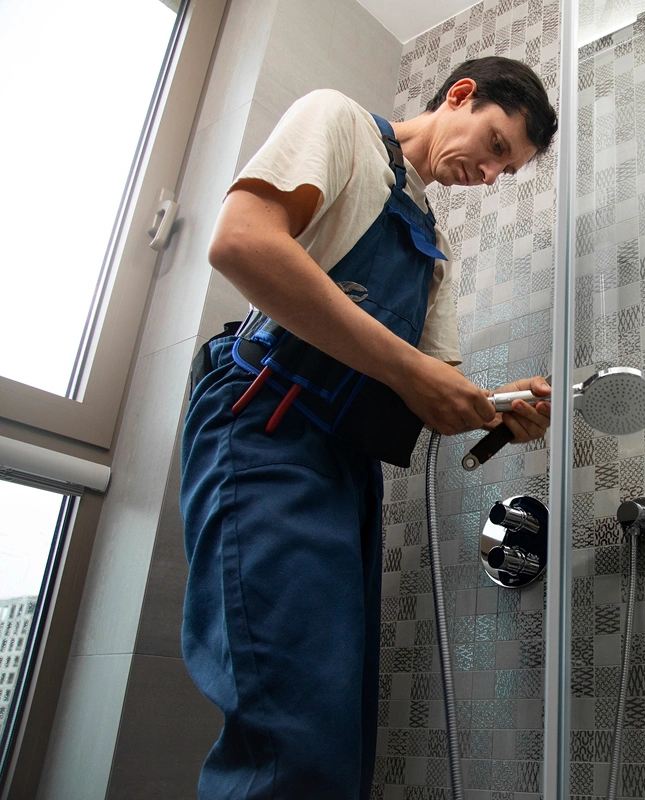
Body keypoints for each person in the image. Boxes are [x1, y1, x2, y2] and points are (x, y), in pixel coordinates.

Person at [179, 57, 558, 800]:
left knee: (336, 721)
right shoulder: (341, 123)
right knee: (292, 729)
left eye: (504, 171)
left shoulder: (433, 254)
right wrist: (415, 374)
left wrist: (500, 416)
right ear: (460, 95)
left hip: (342, 465)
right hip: (265, 421)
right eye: (494, 145)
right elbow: (244, 243)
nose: (487, 175)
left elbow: (433, 392)